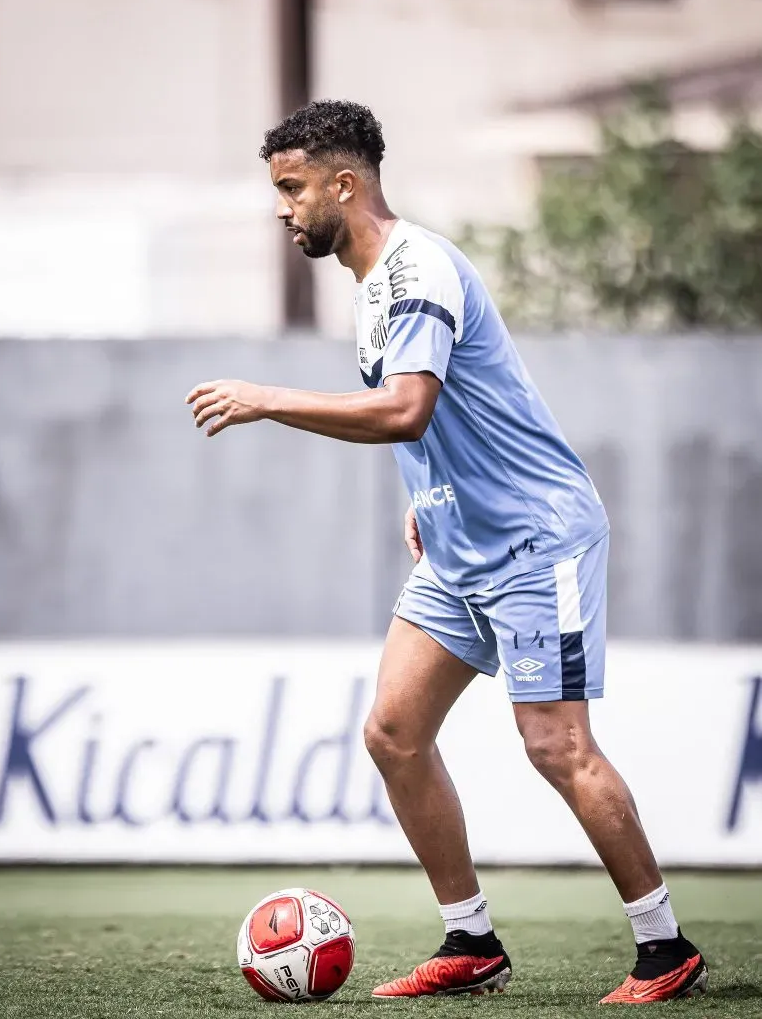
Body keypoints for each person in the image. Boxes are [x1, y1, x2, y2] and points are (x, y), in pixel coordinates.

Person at [185, 99, 707, 1005]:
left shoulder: (414, 269)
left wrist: (267, 397)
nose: (281, 208)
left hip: (535, 540)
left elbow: (404, 409)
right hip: (459, 544)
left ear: (343, 185)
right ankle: (471, 942)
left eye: (292, 187)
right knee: (393, 732)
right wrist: (424, 499)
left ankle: (665, 949)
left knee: (556, 745)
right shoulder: (372, 287)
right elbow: (432, 425)